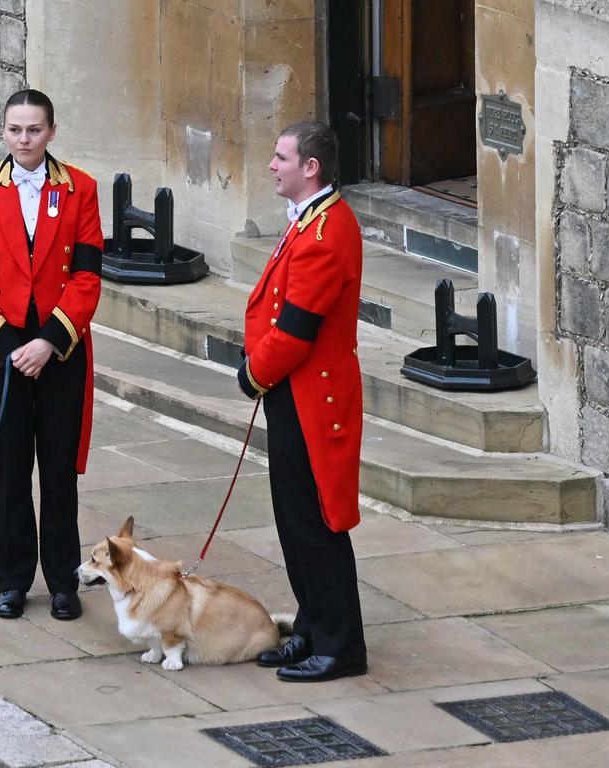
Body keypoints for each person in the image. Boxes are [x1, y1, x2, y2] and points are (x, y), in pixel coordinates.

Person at [0, 89, 103, 622]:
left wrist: (51, 342)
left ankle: (64, 581)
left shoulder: (80, 188)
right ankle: (12, 579)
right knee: (12, 470)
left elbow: (87, 276)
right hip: (4, 351)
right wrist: (7, 346)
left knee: (59, 471)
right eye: (15, 130)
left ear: (52, 132)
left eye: (34, 130)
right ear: (4, 132)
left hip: (59, 350)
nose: (24, 140)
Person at [237, 121, 368, 682]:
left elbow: (295, 331)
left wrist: (253, 375)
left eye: (280, 156)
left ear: (309, 167)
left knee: (316, 524)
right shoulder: (309, 221)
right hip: (294, 392)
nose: (272, 165)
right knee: (293, 521)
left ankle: (341, 646)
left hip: (313, 397)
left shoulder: (323, 233)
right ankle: (313, 628)